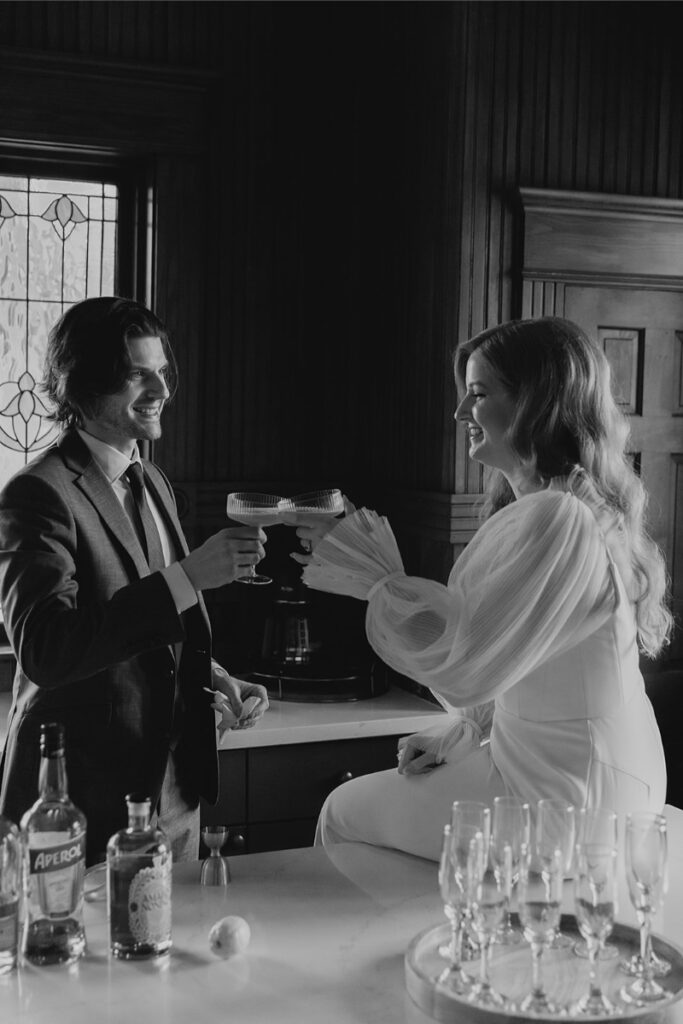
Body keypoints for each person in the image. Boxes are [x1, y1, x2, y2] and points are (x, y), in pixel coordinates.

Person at [289, 316, 672, 862]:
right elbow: (520, 665)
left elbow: (463, 659)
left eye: (477, 394)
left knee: (343, 810)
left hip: (567, 798)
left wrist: (361, 558)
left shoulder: (558, 518)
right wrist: (459, 736)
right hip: (597, 775)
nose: (460, 413)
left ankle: (418, 942)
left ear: (535, 403)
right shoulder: (572, 506)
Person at [0, 296, 269, 865]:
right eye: (135, 375)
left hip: (173, 795)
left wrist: (216, 677)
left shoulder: (154, 483)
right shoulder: (38, 494)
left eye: (162, 372)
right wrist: (189, 576)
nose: (162, 390)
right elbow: (47, 649)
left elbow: (151, 630)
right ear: (82, 385)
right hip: (77, 800)